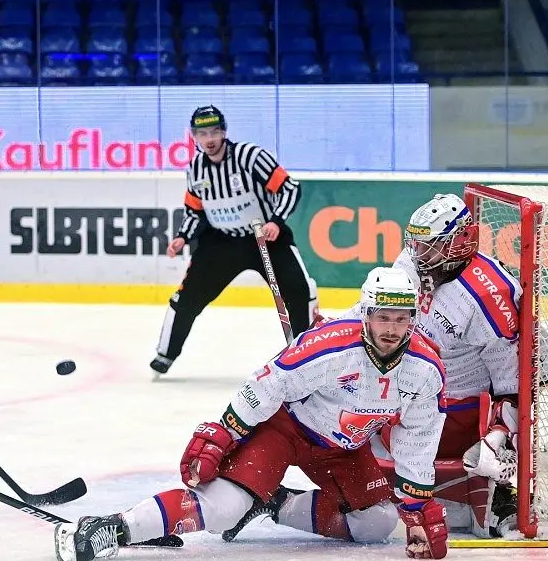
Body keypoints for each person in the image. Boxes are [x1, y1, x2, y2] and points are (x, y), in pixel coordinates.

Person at [55, 266, 450, 561]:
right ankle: (112, 527)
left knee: (377, 523)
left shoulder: (425, 370)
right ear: (366, 314)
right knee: (223, 509)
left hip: (342, 449)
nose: (391, 329)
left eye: (401, 319)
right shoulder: (330, 346)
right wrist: (224, 432)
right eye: (383, 317)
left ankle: (273, 504)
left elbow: (417, 438)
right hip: (285, 430)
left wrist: (417, 508)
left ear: (413, 319)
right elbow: (268, 384)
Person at [232, 193, 522, 541]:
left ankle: (280, 497)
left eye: (428, 247)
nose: (416, 254)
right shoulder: (415, 260)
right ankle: (257, 474)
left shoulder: (491, 296)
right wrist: (322, 339)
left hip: (449, 411)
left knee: (371, 494)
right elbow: (368, 314)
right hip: (395, 386)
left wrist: (499, 435)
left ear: (459, 243)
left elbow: (511, 384)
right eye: (415, 244)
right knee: (319, 395)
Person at [151, 105, 318, 377]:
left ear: (224, 131)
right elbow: (195, 210)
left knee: (300, 291)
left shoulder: (250, 157)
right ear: (194, 137)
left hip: (266, 239)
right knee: (186, 299)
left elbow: (289, 188)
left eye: (214, 131)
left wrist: (275, 221)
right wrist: (182, 236)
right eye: (202, 134)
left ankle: (306, 356)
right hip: (222, 243)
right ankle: (165, 354)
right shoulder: (196, 169)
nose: (209, 139)